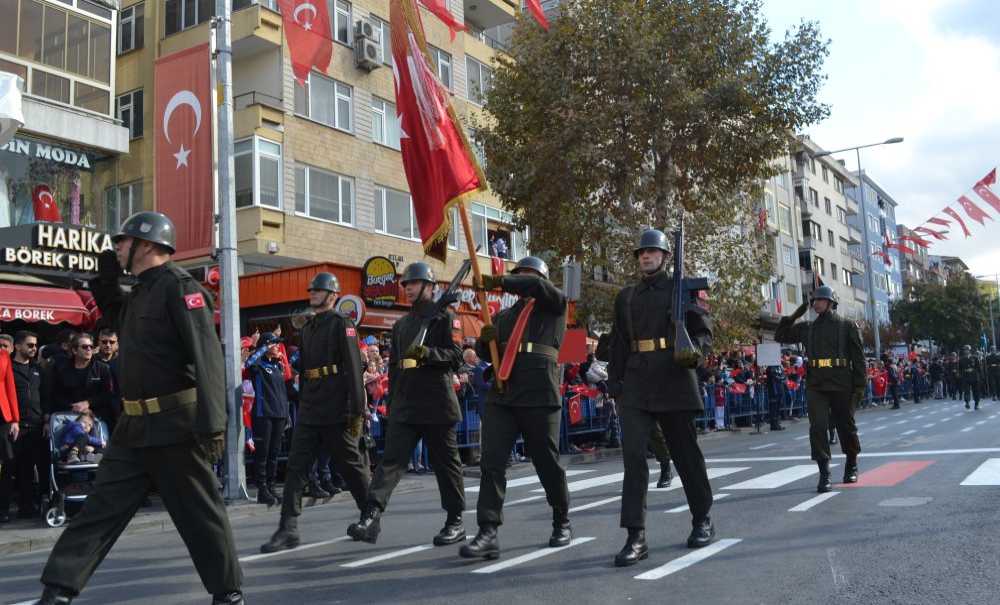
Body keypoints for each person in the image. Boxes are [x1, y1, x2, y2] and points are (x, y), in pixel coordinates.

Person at [34, 212, 243, 605]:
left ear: (146, 245)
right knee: (100, 510)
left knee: (200, 516)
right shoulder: (141, 293)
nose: (117, 248)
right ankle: (58, 590)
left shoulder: (181, 289)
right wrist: (105, 279)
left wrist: (214, 424)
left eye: (123, 242)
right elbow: (114, 316)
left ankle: (228, 594)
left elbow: (208, 358)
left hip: (176, 428)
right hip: (134, 428)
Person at [605, 229, 716, 567]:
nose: (646, 257)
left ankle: (702, 519)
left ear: (666, 257)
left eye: (652, 252)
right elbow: (619, 342)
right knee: (634, 459)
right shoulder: (626, 297)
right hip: (637, 381)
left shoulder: (682, 289)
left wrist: (696, 354)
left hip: (674, 376)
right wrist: (615, 383)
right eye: (641, 253)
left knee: (686, 455)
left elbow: (702, 330)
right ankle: (635, 536)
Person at [460, 256, 572, 560]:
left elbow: (536, 286)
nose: (522, 279)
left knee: (546, 461)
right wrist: (485, 341)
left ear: (540, 279)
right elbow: (489, 352)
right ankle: (488, 531)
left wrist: (499, 281)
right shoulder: (505, 316)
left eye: (527, 275)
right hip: (504, 392)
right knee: (492, 463)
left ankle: (561, 518)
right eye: (518, 275)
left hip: (539, 392)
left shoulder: (553, 305)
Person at [348, 262, 466, 546]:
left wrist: (427, 353)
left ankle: (455, 520)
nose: (409, 288)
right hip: (406, 404)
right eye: (406, 284)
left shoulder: (445, 318)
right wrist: (394, 399)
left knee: (446, 465)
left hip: (437, 403)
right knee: (391, 463)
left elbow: (456, 356)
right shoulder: (401, 325)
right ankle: (371, 516)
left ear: (429, 286)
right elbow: (396, 367)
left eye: (414, 283)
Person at [260, 271, 369, 554]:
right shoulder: (308, 329)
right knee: (296, 467)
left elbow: (354, 370)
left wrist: (356, 410)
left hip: (335, 406)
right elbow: (305, 374)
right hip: (311, 407)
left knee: (350, 465)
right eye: (311, 291)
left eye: (318, 290)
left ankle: (371, 515)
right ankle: (288, 528)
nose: (312, 294)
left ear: (332, 295)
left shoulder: (341, 325)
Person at [775, 285, 865, 493]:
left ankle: (851, 463)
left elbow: (858, 359)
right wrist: (795, 313)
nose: (815, 303)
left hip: (842, 381)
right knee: (817, 427)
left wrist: (859, 387)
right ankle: (824, 472)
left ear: (831, 303)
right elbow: (781, 335)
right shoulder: (807, 328)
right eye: (814, 301)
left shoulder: (847, 326)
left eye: (820, 300)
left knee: (846, 426)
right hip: (817, 384)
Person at [0, 331, 45, 521]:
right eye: (30, 345)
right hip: (14, 425)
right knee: (10, 468)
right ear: (17, 346)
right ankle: (4, 509)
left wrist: (46, 418)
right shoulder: (7, 367)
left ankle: (27, 507)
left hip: (35, 425)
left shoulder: (38, 370)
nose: (34, 348)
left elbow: (44, 394)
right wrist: (12, 420)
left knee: (28, 468)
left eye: (35, 345)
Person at [244, 332, 291, 506]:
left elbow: (284, 389)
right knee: (262, 454)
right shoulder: (258, 366)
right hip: (264, 414)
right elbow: (248, 363)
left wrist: (286, 414)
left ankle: (271, 486)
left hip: (279, 414)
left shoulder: (277, 366)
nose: (277, 346)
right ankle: (262, 489)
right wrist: (263, 346)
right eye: (274, 343)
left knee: (274, 453)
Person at [42, 333, 115, 422]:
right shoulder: (60, 368)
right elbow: (52, 393)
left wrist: (88, 403)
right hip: (65, 416)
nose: (88, 349)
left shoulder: (102, 368)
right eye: (84, 347)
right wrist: (71, 407)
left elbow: (108, 394)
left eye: (91, 347)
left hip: (94, 417)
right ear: (74, 350)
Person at [0, 340, 19, 524]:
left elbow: (10, 387)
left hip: (2, 418)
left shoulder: (4, 355)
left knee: (7, 463)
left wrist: (15, 419)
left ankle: (3, 509)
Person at [95, 328, 122, 432]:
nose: (108, 345)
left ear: (117, 343)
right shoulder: (91, 362)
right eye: (104, 342)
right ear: (98, 343)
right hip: (98, 412)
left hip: (119, 413)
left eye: (112, 342)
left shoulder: (122, 363)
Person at [958, 344, 981, 410]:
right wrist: (962, 373)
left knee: (976, 391)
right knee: (966, 391)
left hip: (974, 377)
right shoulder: (961, 359)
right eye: (965, 350)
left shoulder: (975, 358)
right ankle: (967, 402)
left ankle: (976, 404)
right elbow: (960, 369)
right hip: (966, 377)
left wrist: (974, 371)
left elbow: (978, 368)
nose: (966, 351)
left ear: (969, 350)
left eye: (967, 350)